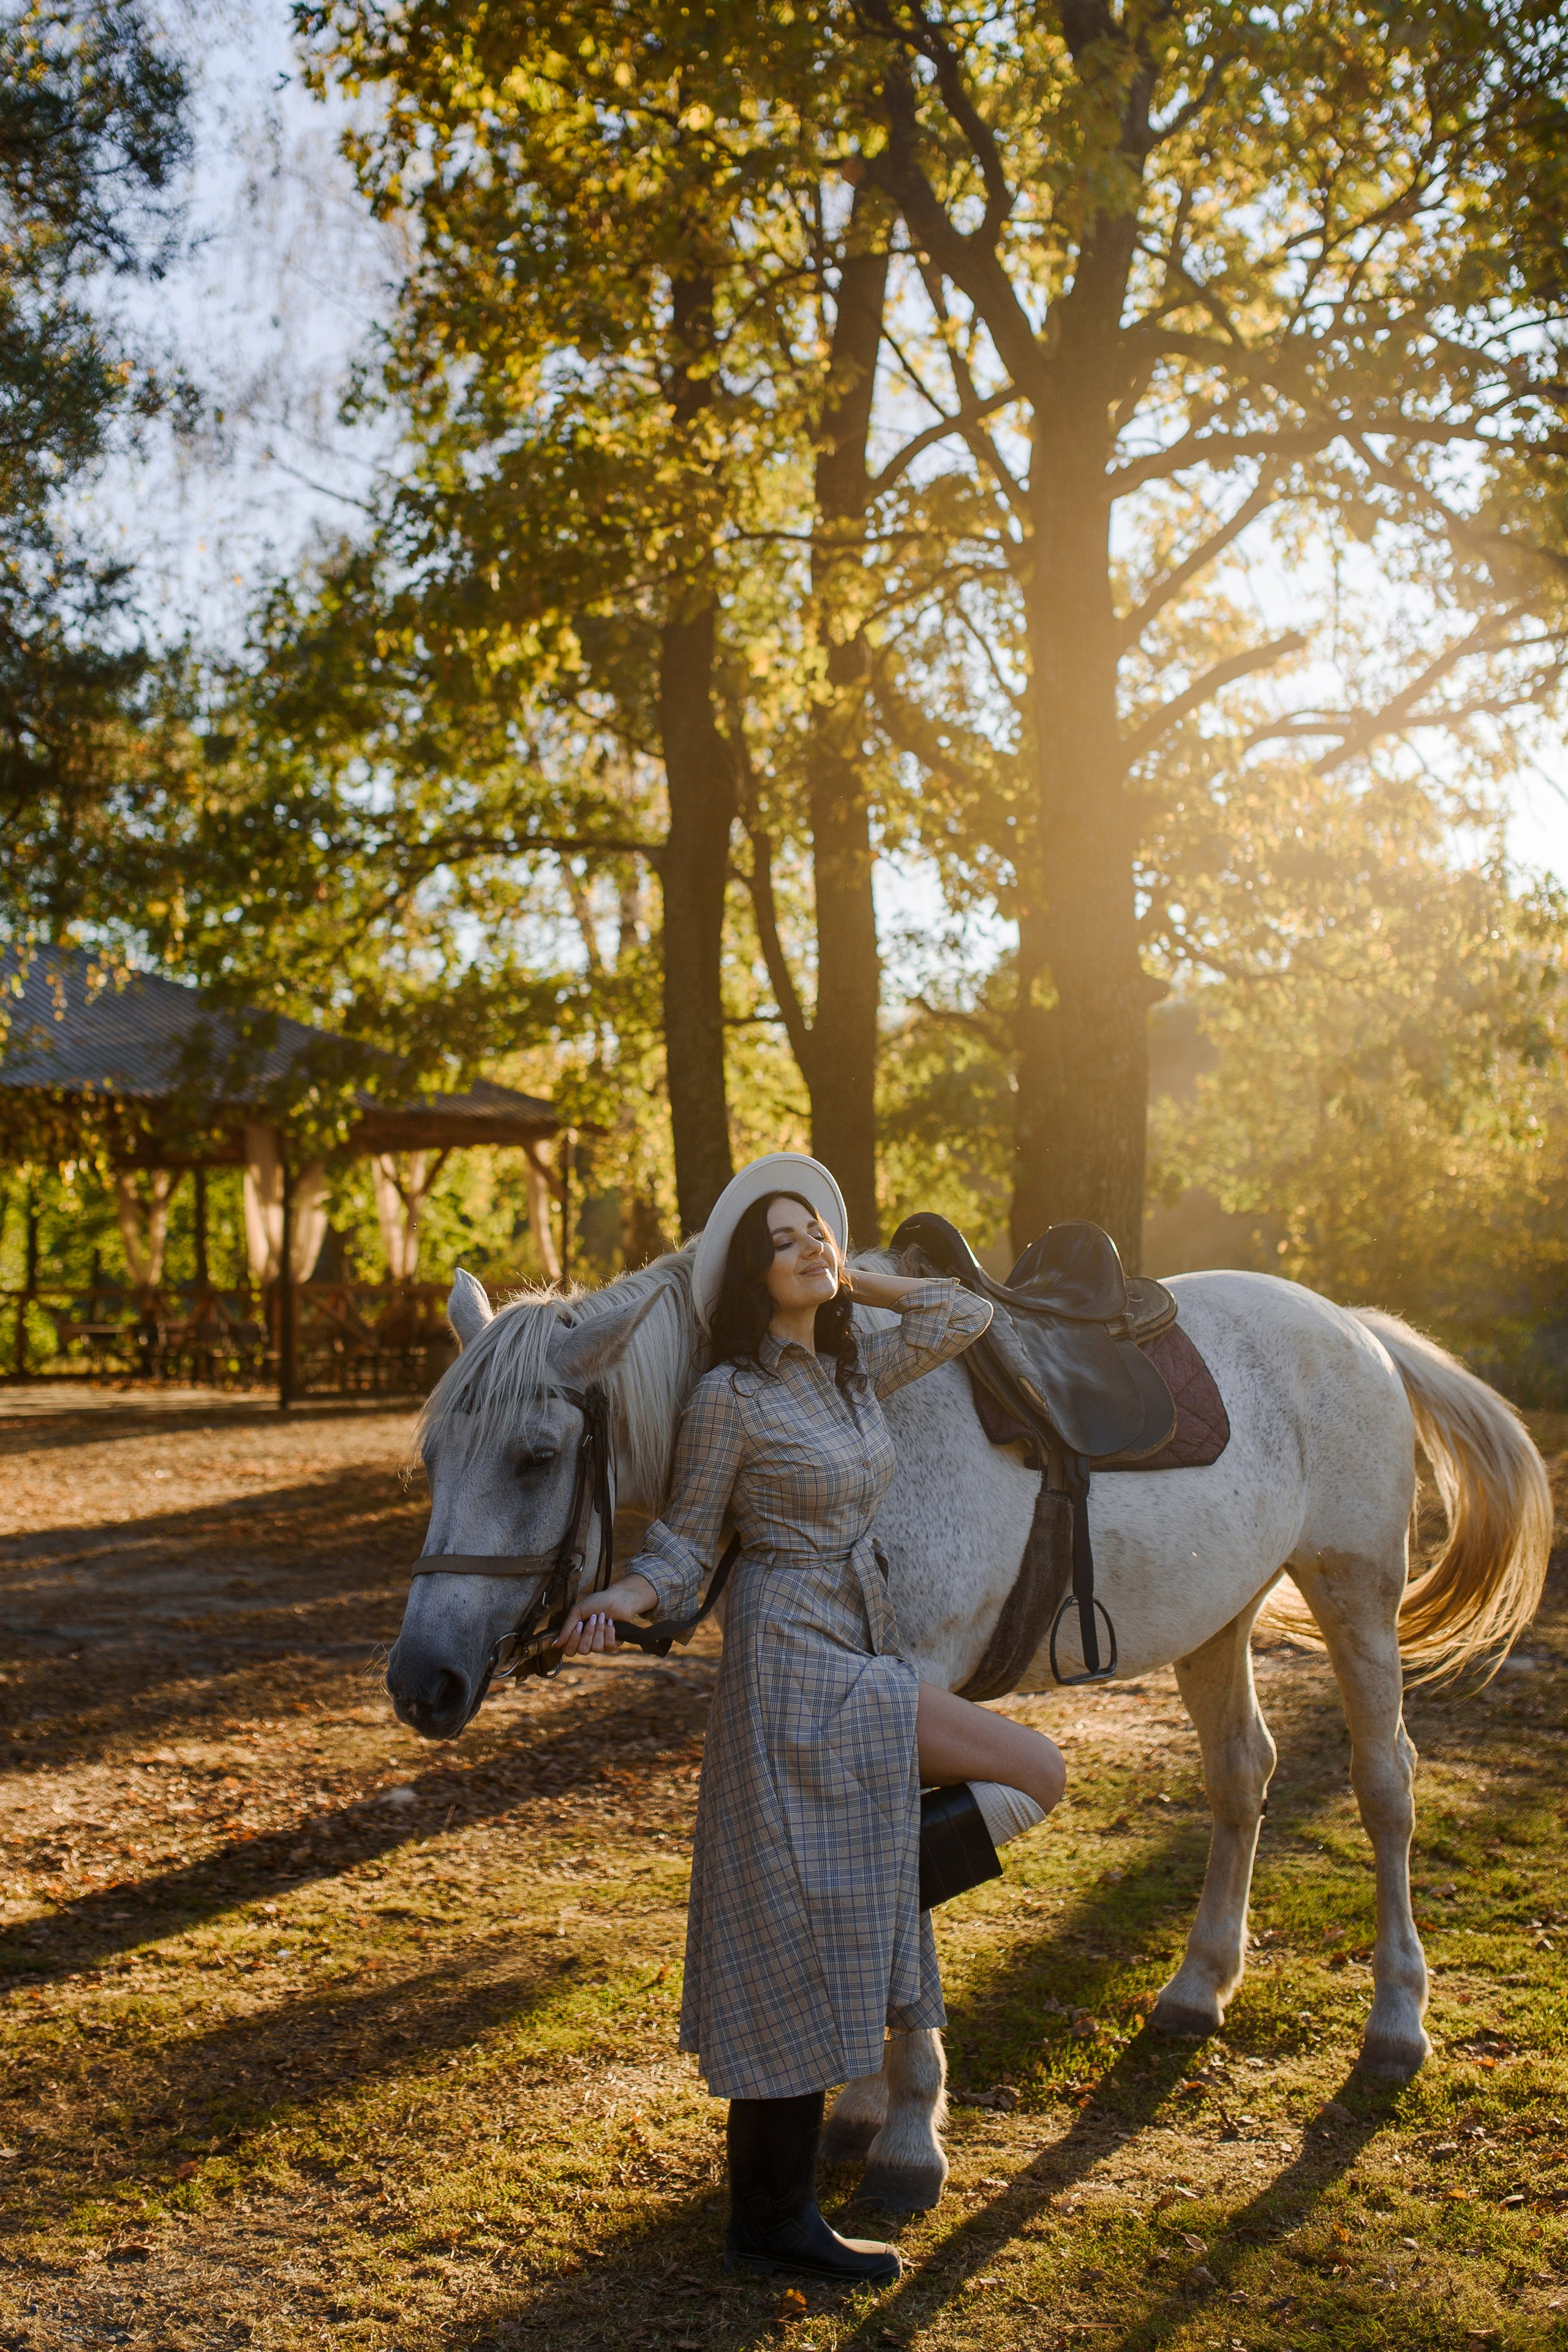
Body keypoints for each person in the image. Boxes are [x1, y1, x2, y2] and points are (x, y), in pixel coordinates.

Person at [554, 1153, 1065, 2284]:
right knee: (793, 1923)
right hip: (788, 1665)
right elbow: (685, 1545)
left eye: (816, 1232)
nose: (805, 1246)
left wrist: (858, 1279)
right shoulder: (729, 1396)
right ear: (750, 1270)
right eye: (782, 1239)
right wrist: (621, 1600)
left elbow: (967, 1311)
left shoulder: (848, 1379)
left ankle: (774, 2208)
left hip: (859, 1647)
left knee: (1034, 1773)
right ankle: (772, 2219)